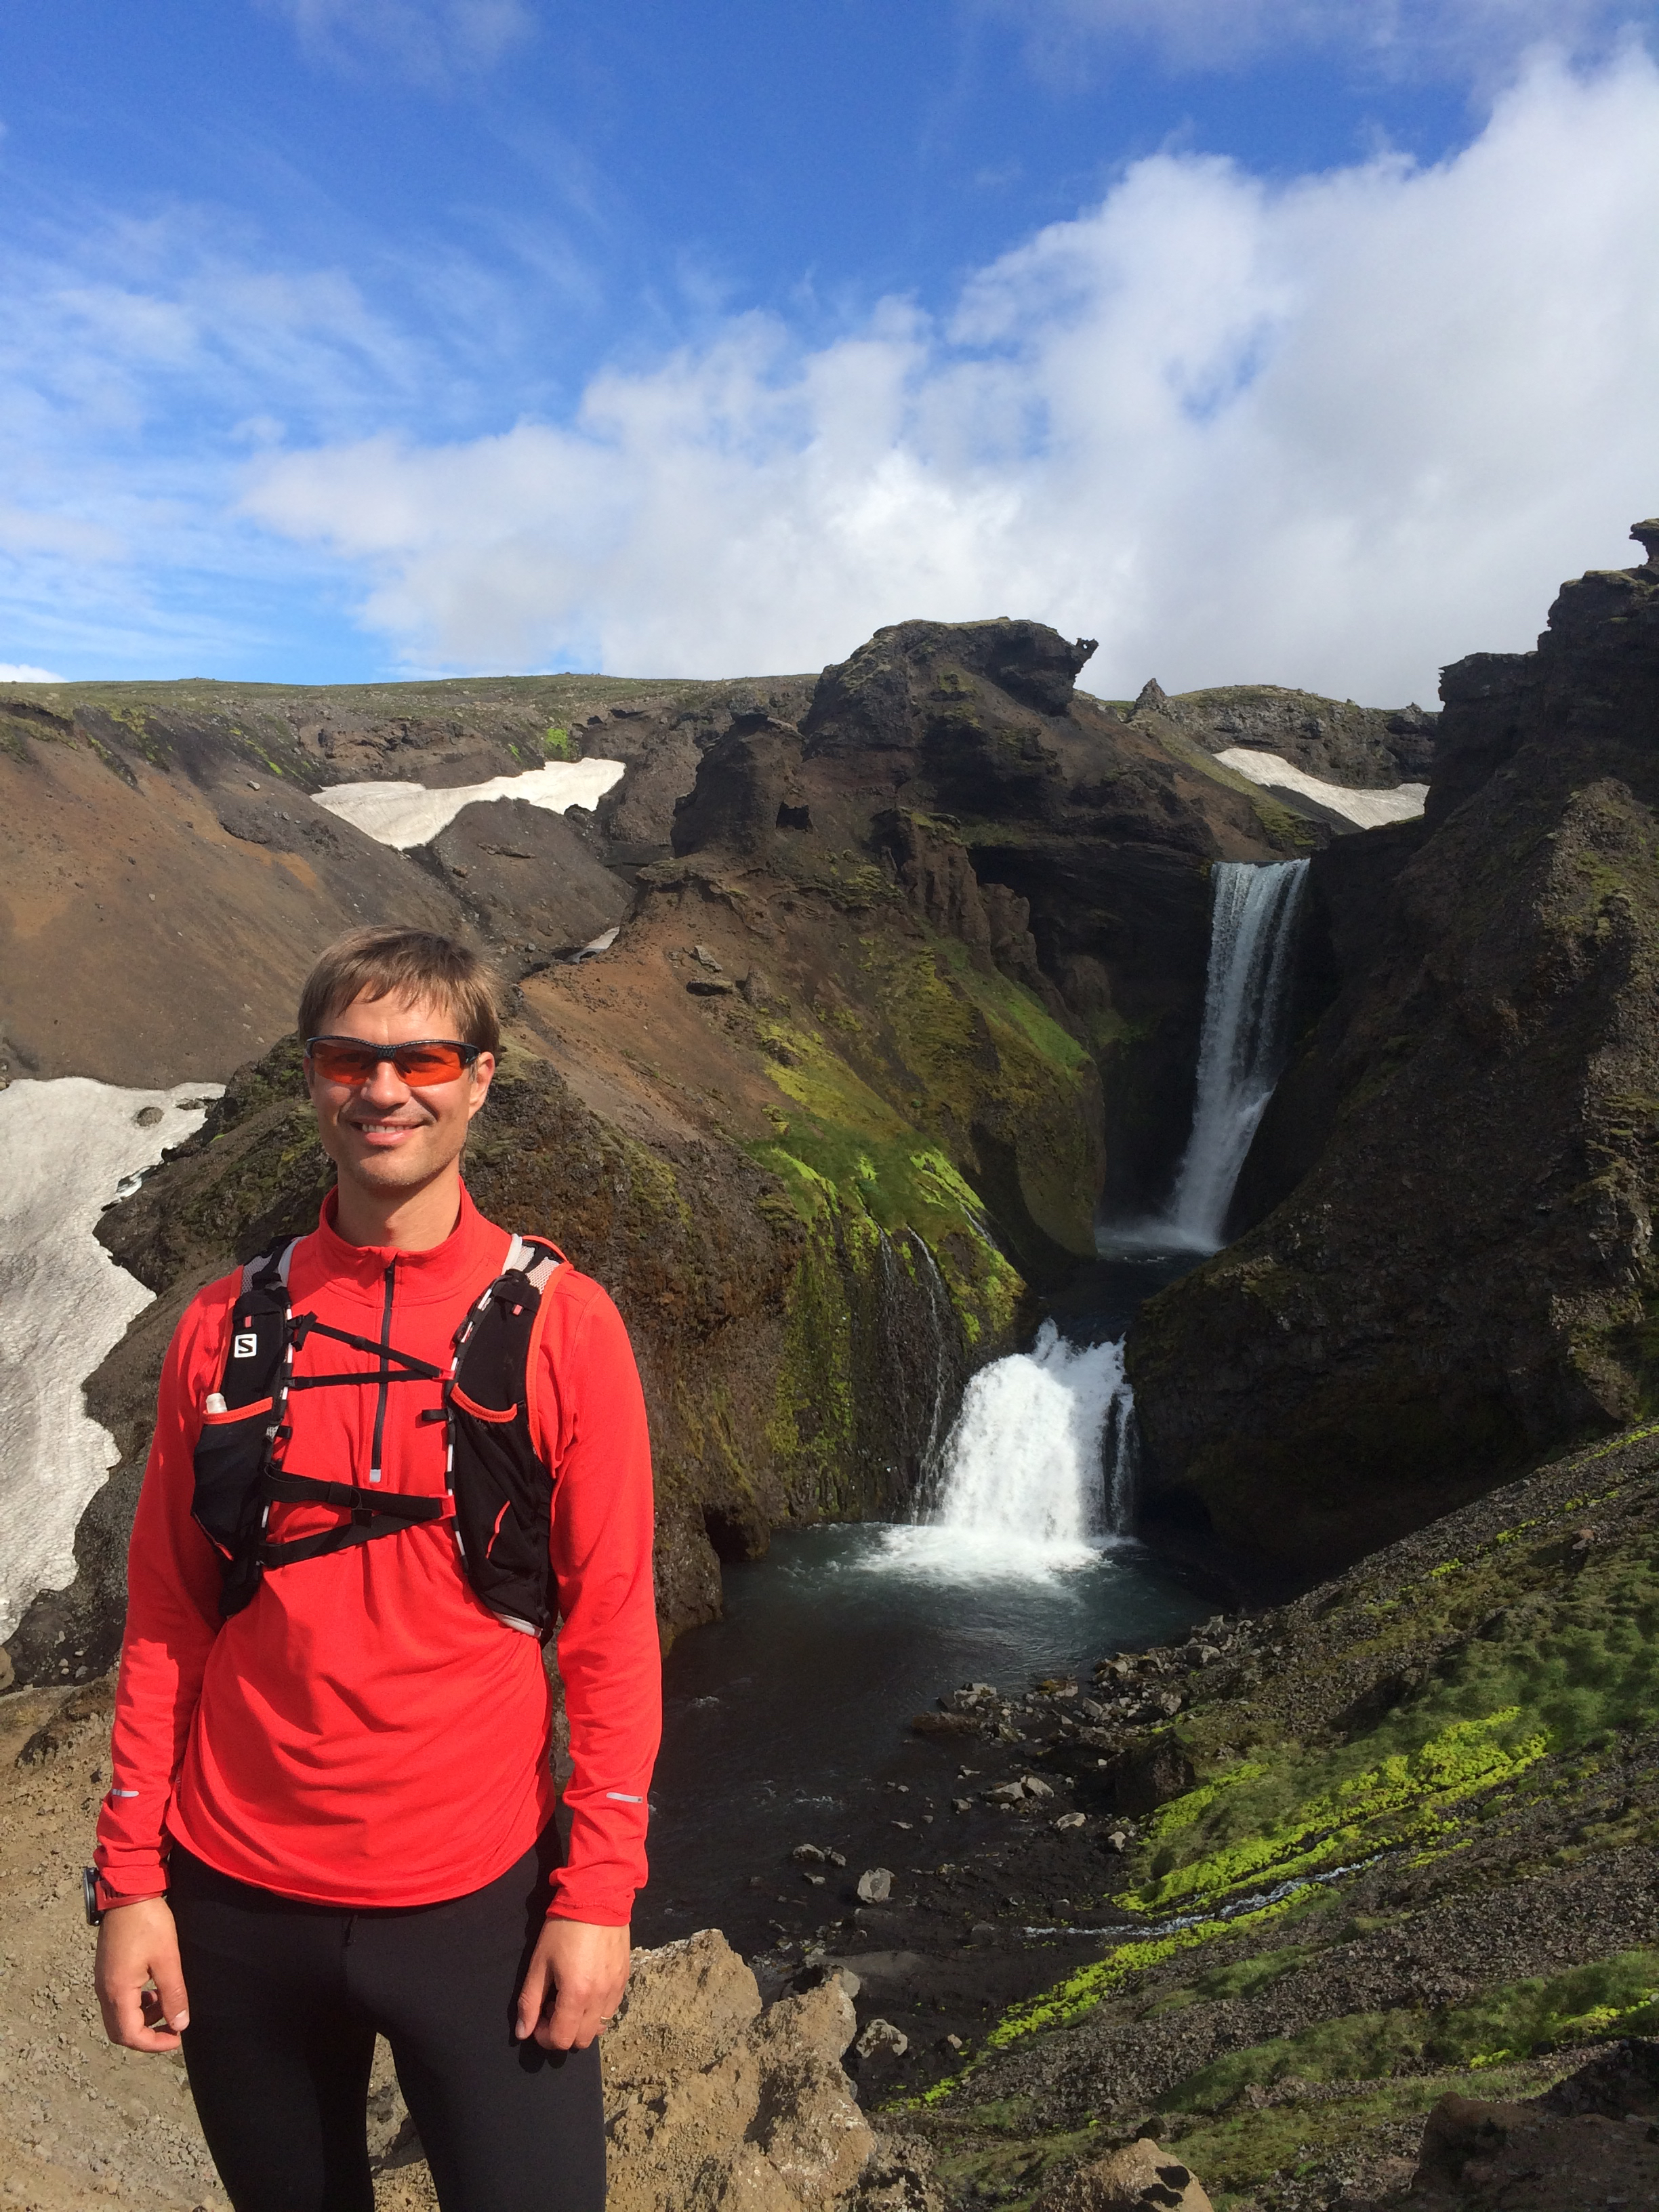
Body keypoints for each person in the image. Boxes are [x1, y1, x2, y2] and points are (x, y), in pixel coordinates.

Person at [89, 926, 660, 2212]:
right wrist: (130, 1882)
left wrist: (599, 1895)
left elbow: (614, 1627)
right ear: (313, 1077)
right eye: (351, 1057)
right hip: (235, 1899)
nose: (385, 1090)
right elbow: (170, 1617)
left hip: (480, 1902)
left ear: (480, 1078)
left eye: (423, 1058)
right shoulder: (221, 1331)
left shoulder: (568, 1327)